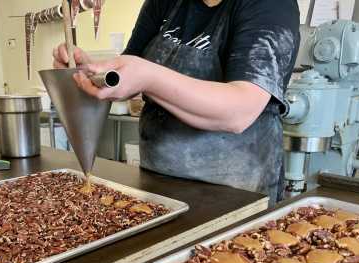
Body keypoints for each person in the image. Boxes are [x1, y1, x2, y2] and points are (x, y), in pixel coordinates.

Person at [53, 0, 301, 205]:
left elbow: (239, 112)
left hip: (237, 195)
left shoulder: (270, 5)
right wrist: (92, 73)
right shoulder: (164, 3)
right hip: (157, 188)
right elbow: (126, 76)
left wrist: (148, 77)